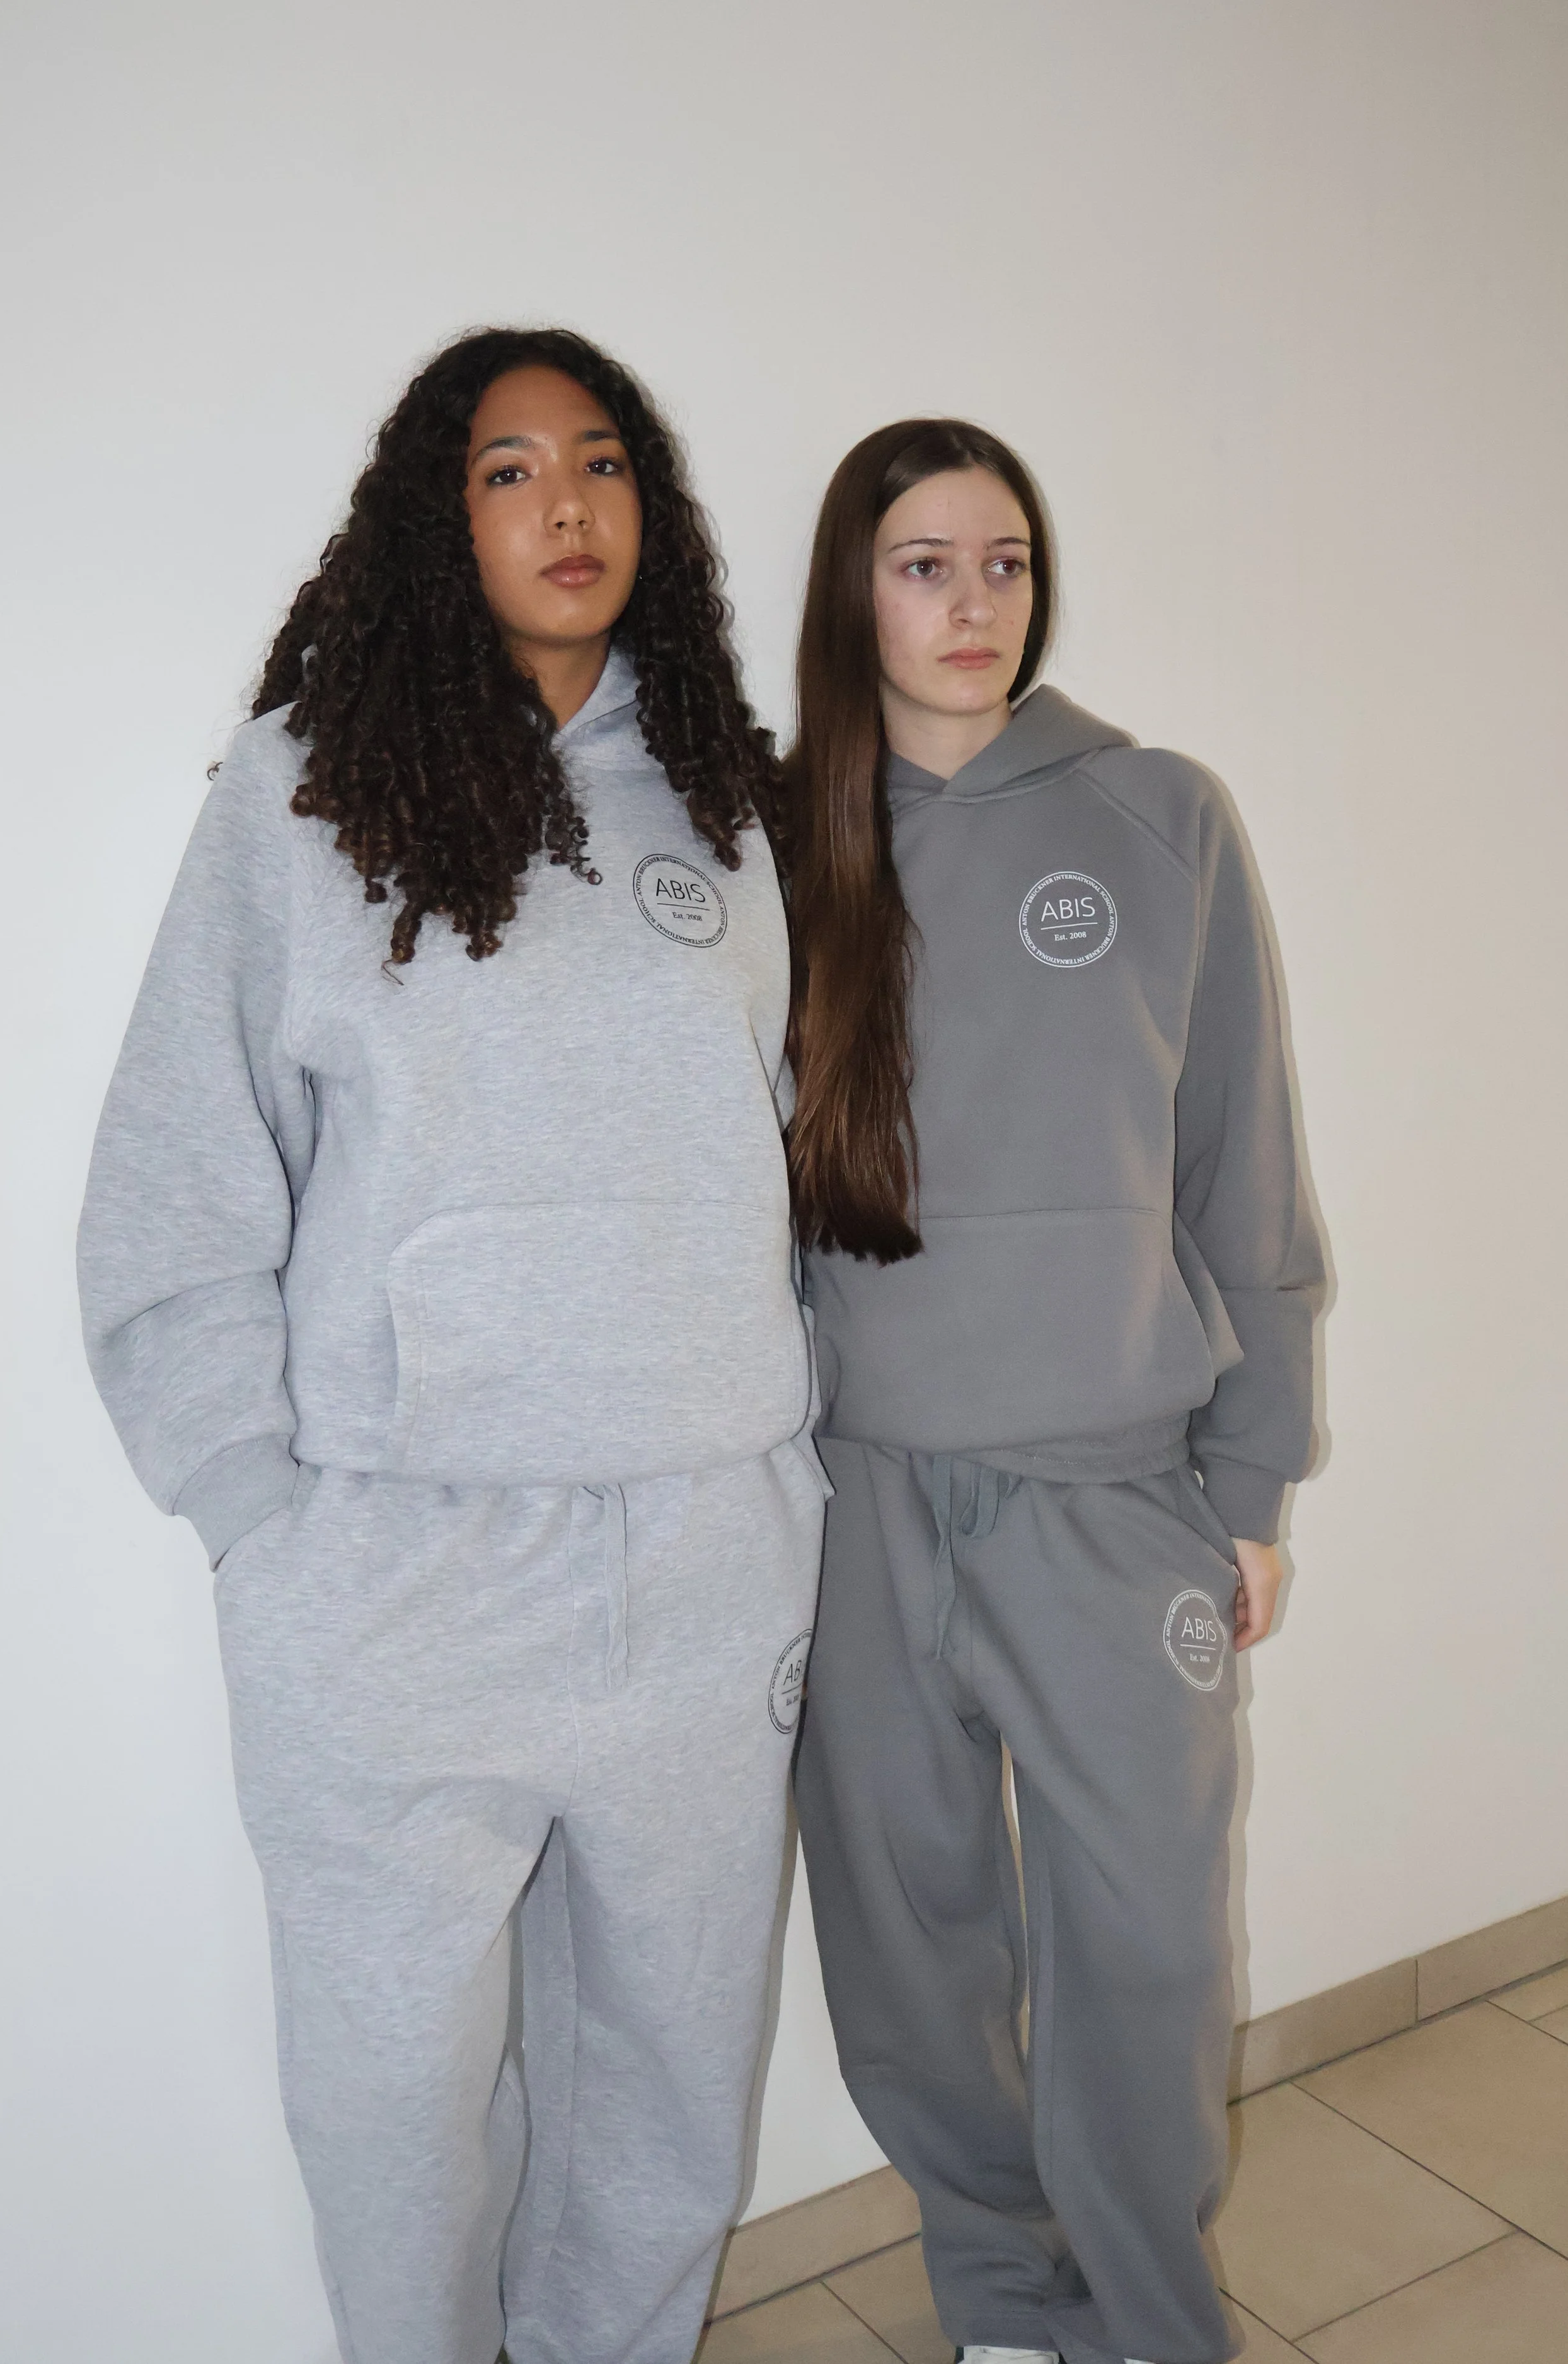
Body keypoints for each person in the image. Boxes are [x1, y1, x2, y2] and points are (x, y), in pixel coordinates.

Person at [78, 326, 827, 2364]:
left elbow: (760, 1150)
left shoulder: (719, 808)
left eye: (600, 461)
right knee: (395, 2125)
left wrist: (784, 1457)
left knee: (666, 2099)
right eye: (509, 470)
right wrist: (263, 1515)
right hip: (397, 1581)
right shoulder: (300, 796)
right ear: (441, 516)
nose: (565, 504)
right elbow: (174, 1182)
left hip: (704, 1561)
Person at [785, 419, 1323, 2364]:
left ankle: (1150, 2322)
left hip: (1110, 1489)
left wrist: (1250, 1478)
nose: (971, 603)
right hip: (855, 1499)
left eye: (1001, 561)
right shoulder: (774, 844)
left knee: (1146, 1939)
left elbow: (1240, 1167)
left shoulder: (1161, 814)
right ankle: (1006, 2300)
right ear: (852, 592)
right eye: (922, 565)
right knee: (911, 1948)